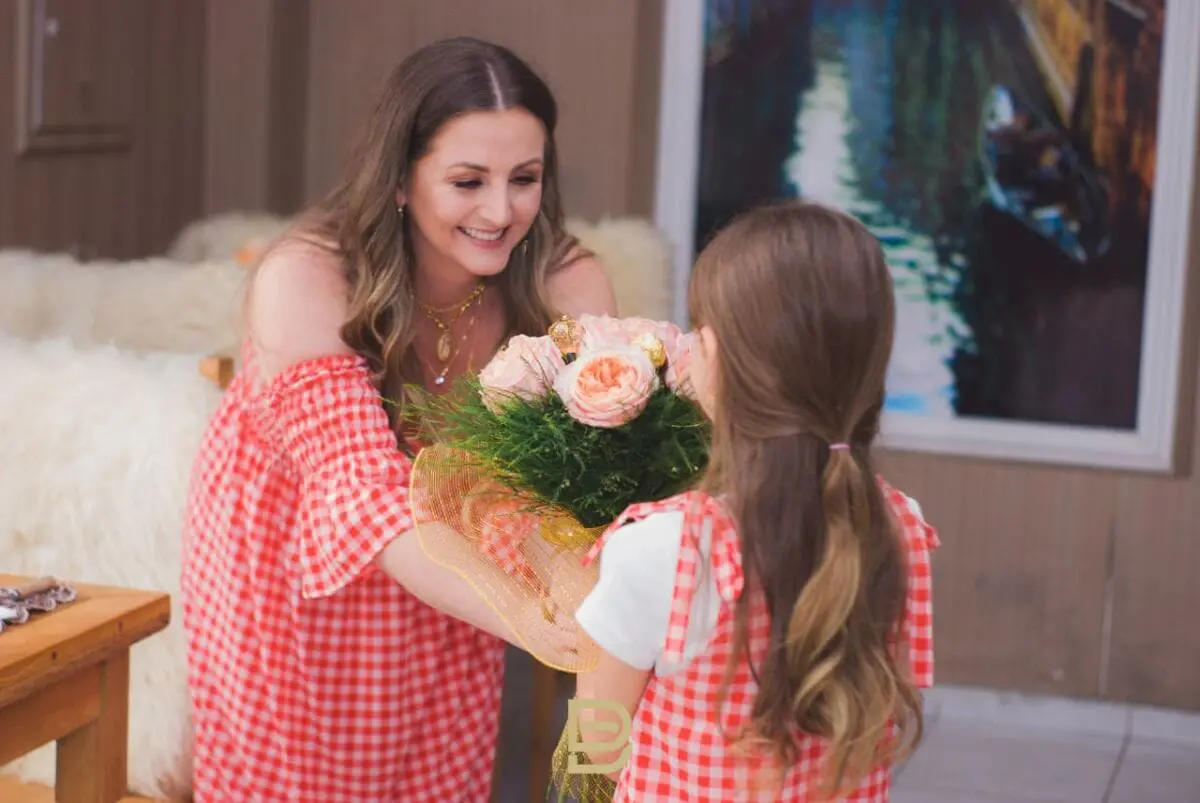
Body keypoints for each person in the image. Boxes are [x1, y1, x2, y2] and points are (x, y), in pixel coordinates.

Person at [180, 36, 617, 802]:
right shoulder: (307, 276)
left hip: (457, 584)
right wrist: (534, 619)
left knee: (434, 779)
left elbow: (585, 476)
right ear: (401, 182)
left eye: (525, 179)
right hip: (287, 585)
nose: (500, 210)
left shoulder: (564, 283)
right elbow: (363, 492)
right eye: (467, 180)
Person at [562, 201, 938, 801]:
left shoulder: (665, 551)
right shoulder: (903, 529)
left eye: (699, 332)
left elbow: (594, 752)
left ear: (724, 366)